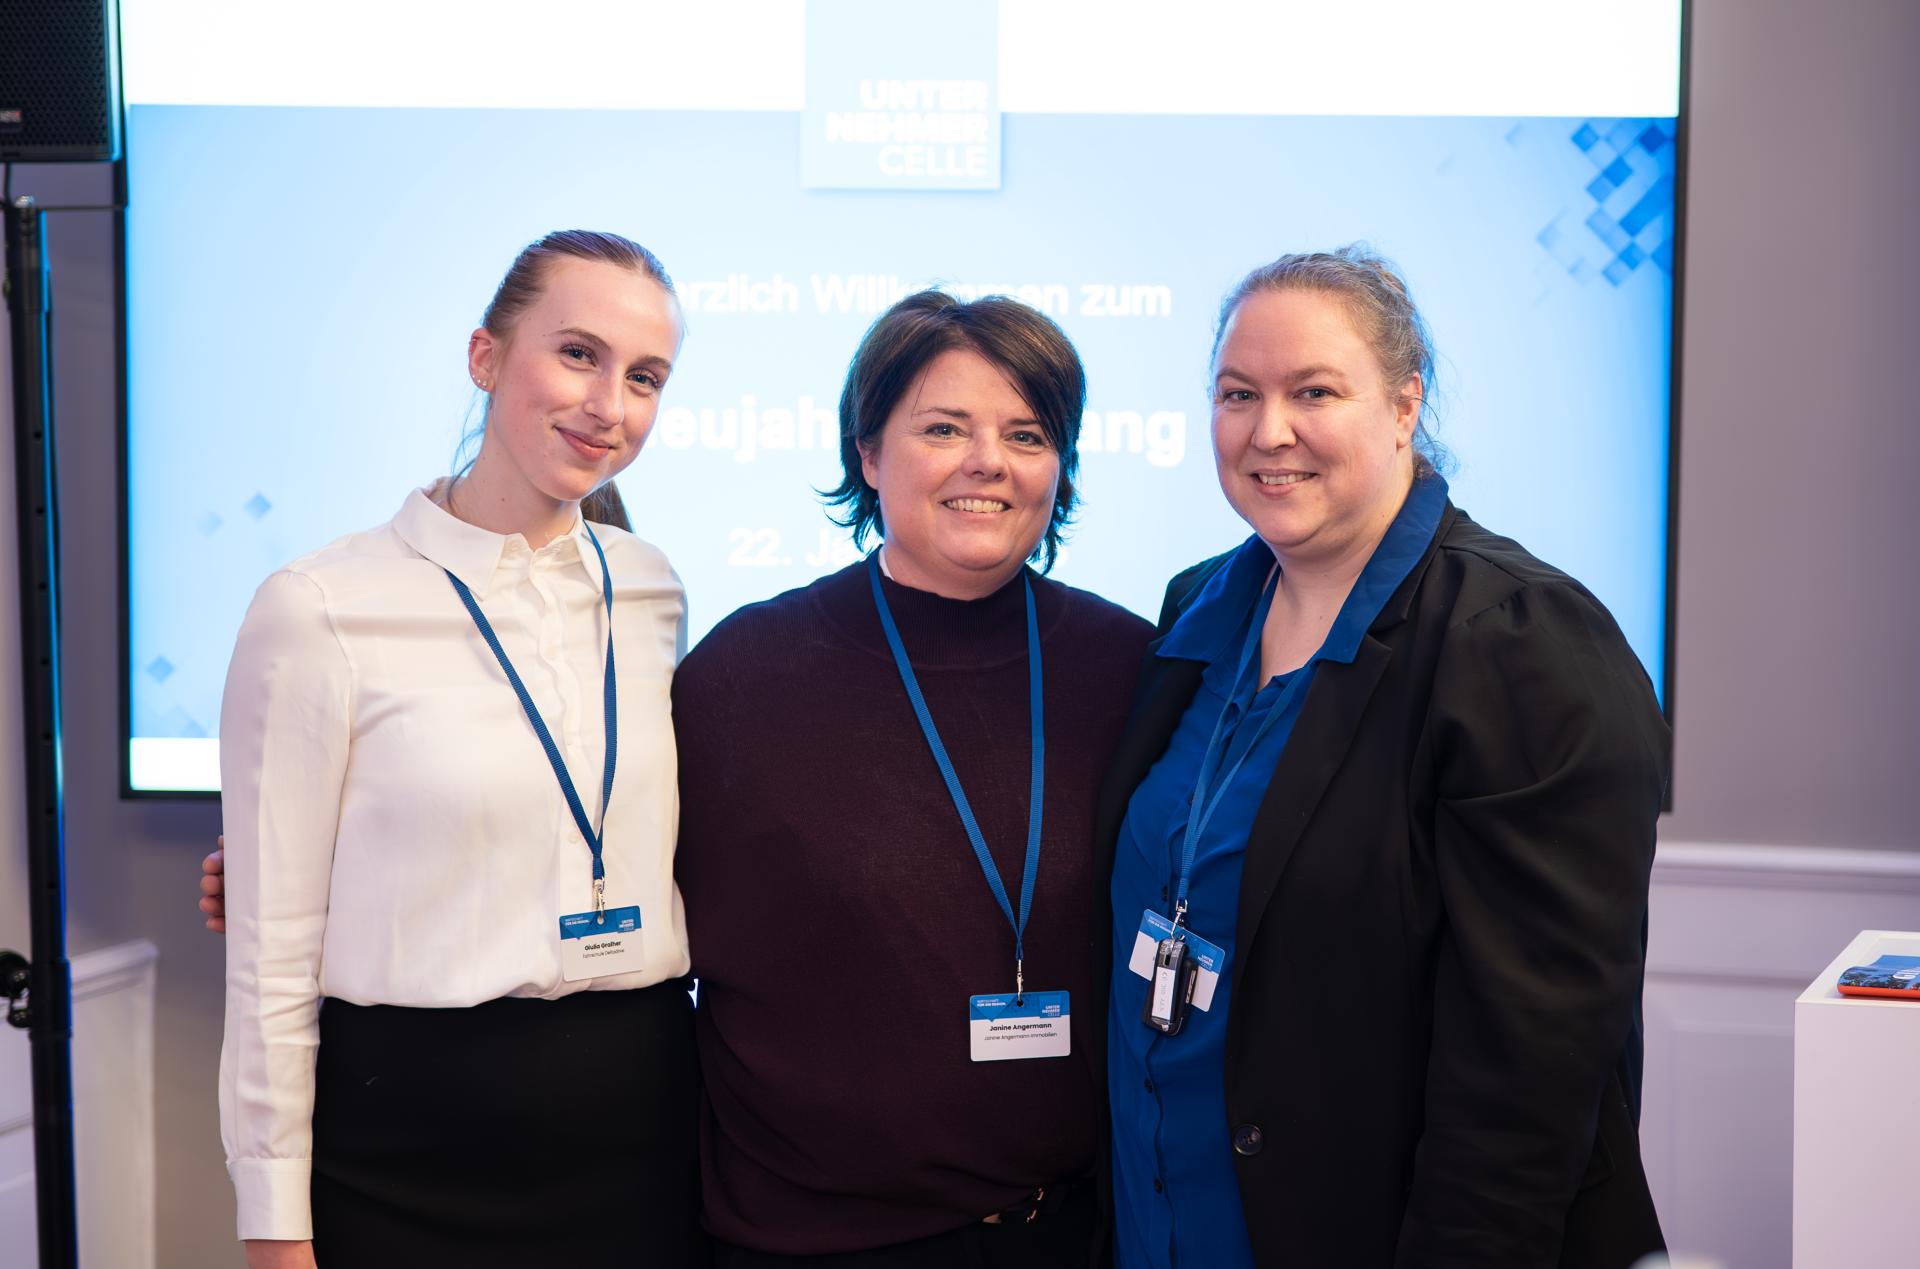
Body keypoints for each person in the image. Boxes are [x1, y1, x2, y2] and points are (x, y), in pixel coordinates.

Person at [1098, 247, 1668, 1268]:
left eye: (1313, 392)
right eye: (1238, 394)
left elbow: (1527, 1080)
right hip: (1164, 1224)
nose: (1269, 431)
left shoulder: (1521, 643)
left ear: (1405, 405)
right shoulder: (1199, 608)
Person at [215, 229, 705, 1268]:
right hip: (405, 1156)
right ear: (486, 357)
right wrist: (274, 1227)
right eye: (578, 354)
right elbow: (270, 962)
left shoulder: (652, 587)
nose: (609, 405)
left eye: (645, 377)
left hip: (640, 1144)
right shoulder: (319, 606)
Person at [673, 290, 1152, 1266]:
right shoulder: (743, 675)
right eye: (943, 428)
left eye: (1026, 434)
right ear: (867, 453)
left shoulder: (1135, 669)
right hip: (811, 1243)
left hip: (1069, 1231)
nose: (988, 461)